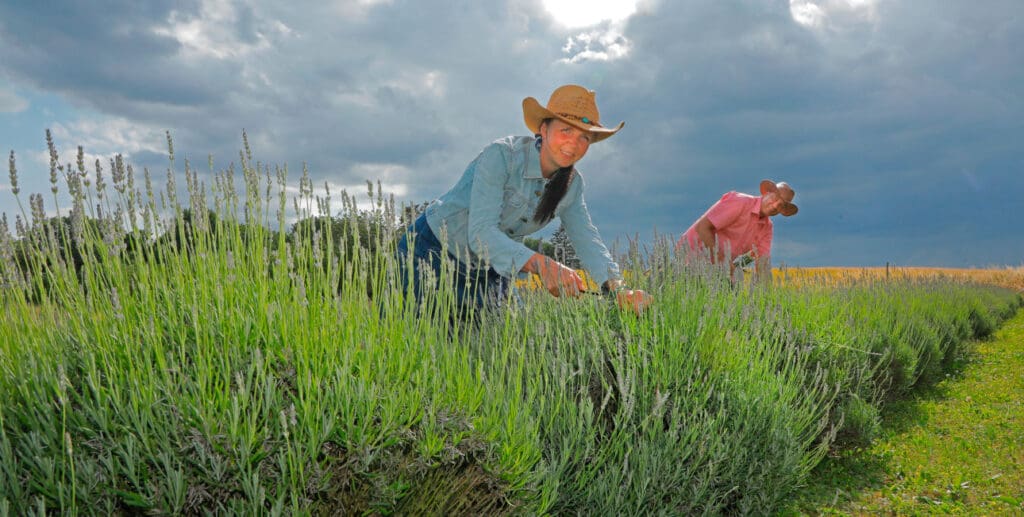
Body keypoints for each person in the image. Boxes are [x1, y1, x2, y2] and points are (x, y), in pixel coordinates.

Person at [397, 84, 652, 316]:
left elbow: (588, 240)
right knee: (417, 344)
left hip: (489, 270)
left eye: (584, 137)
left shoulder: (573, 186)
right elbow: (481, 232)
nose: (573, 144)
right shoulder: (501, 156)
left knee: (500, 351)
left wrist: (619, 290)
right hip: (432, 252)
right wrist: (543, 266)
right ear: (544, 129)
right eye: (566, 130)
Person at [676, 180, 798, 282]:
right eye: (774, 198)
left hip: (720, 269)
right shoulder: (740, 202)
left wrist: (767, 300)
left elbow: (763, 265)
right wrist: (723, 261)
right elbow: (702, 228)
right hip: (692, 254)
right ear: (766, 193)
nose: (775, 206)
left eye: (781, 206)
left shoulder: (767, 228)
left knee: (731, 301)